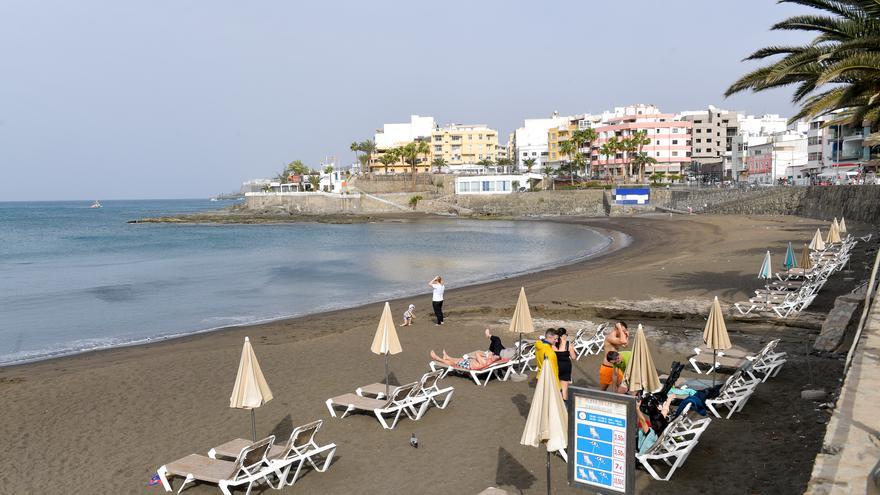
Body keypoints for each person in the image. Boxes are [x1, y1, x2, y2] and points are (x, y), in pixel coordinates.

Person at [600, 321, 629, 392]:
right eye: (622, 331)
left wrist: (627, 336)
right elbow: (624, 342)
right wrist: (619, 328)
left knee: (623, 388)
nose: (623, 332)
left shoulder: (617, 337)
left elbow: (625, 345)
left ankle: (617, 399)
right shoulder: (610, 337)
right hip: (608, 366)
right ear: (616, 329)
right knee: (603, 390)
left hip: (616, 365)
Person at [553, 328, 577, 400]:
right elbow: (573, 357)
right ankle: (564, 407)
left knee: (556, 388)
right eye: (566, 334)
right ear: (563, 335)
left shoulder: (553, 344)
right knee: (564, 389)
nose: (566, 336)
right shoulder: (568, 344)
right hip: (565, 367)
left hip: (555, 367)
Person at [430, 349, 500, 370]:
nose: (493, 354)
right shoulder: (488, 360)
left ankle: (437, 358)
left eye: (494, 355)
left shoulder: (485, 361)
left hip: (468, 365)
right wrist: (488, 355)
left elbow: (477, 353)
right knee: (458, 359)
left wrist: (486, 354)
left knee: (453, 363)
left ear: (493, 358)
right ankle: (447, 357)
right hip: (469, 362)